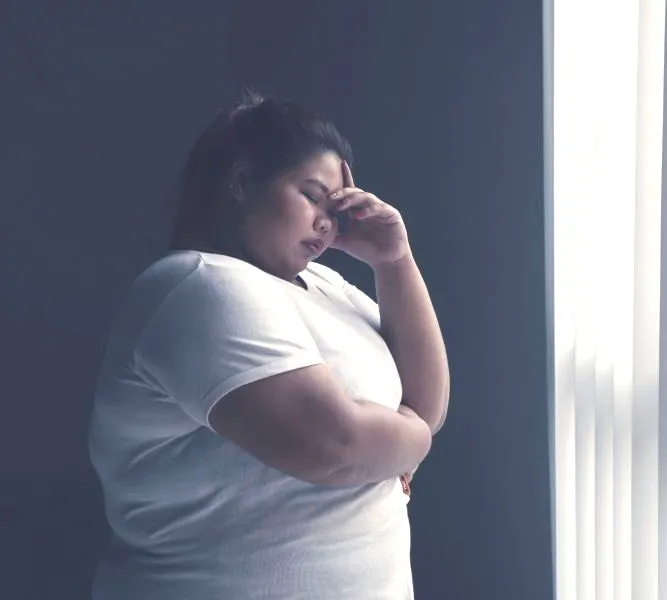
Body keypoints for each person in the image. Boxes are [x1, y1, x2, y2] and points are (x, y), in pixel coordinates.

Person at [87, 93, 450, 600]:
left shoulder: (325, 285)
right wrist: (410, 440)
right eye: (312, 196)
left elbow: (427, 406)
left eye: (336, 208)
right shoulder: (198, 285)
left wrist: (394, 261)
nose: (327, 222)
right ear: (241, 182)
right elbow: (336, 448)